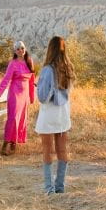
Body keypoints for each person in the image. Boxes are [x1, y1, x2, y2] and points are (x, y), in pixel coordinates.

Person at [35, 36, 75, 194]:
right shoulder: (68, 68)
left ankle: (49, 189)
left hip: (49, 113)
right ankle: (60, 186)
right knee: (62, 150)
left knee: (47, 151)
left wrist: (39, 88)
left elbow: (43, 96)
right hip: (63, 113)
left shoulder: (47, 69)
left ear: (50, 49)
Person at [0, 40, 36, 156]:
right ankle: (5, 144)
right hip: (15, 94)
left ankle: (14, 144)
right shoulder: (13, 63)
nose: (21, 50)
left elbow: (32, 81)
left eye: (22, 48)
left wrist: (32, 97)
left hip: (25, 95)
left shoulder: (29, 61)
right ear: (15, 51)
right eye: (18, 49)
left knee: (21, 119)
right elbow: (6, 80)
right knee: (13, 119)